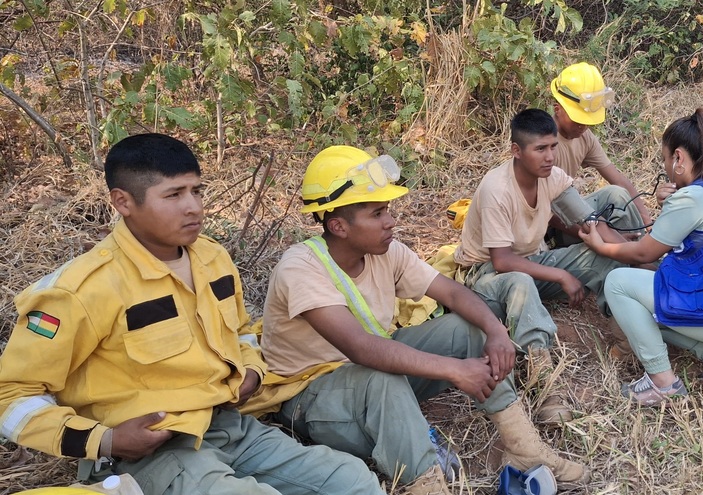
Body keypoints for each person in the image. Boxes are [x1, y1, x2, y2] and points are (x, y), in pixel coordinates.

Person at [0, 134, 382, 494]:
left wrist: (251, 370)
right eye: (173, 195)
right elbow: (10, 395)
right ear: (123, 202)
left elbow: (242, 333)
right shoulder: (81, 290)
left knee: (354, 482)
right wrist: (106, 439)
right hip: (151, 453)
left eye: (197, 190)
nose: (193, 207)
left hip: (227, 426)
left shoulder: (212, 258)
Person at [243, 145, 586, 494]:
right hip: (312, 396)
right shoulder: (300, 268)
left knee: (466, 329)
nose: (390, 221)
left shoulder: (385, 251)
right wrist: (454, 370)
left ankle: (522, 446)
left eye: (387, 210)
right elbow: (361, 349)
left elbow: (451, 293)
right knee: (381, 379)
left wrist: (495, 330)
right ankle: (425, 483)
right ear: (338, 226)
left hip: (370, 374)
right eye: (377, 213)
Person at [578, 108, 703, 406]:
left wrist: (600, 245)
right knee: (648, 307)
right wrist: (671, 203)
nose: (666, 166)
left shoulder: (693, 198)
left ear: (679, 158)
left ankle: (663, 383)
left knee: (619, 284)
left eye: (665, 160)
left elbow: (645, 251)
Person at [453, 108, 626, 421]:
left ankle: (627, 332)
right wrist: (561, 275)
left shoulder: (552, 177)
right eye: (540, 149)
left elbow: (589, 222)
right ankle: (545, 384)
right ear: (516, 151)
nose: (549, 157)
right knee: (520, 280)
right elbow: (502, 261)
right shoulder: (497, 189)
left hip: (534, 260)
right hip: (486, 277)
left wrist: (637, 253)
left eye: (553, 147)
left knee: (601, 254)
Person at [548, 62, 653, 244]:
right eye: (578, 120)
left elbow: (617, 178)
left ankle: (641, 250)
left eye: (588, 121)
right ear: (558, 109)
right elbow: (548, 214)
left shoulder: (584, 137)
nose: (584, 126)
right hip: (553, 225)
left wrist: (646, 219)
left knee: (617, 194)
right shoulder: (543, 145)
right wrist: (606, 239)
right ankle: (630, 256)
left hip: (574, 214)